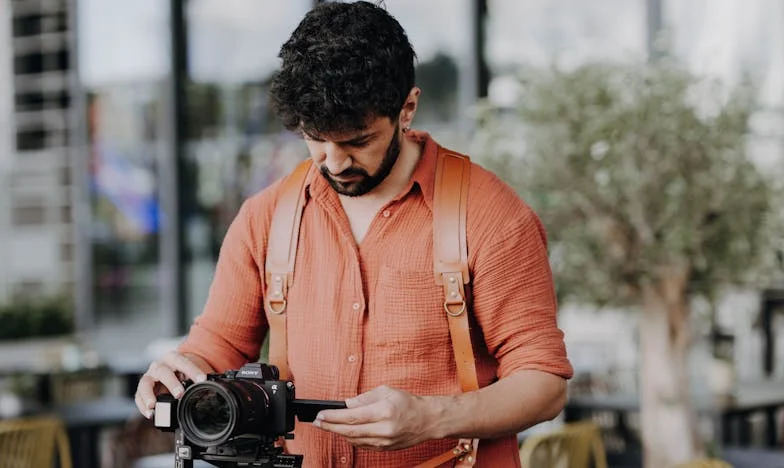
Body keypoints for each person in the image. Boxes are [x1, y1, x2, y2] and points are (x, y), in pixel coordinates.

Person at [135, 2, 572, 466]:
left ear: (407, 108)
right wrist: (179, 376)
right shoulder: (265, 217)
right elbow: (218, 346)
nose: (333, 161)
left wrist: (433, 417)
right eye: (315, 138)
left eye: (357, 141)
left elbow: (544, 384)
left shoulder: (490, 216)